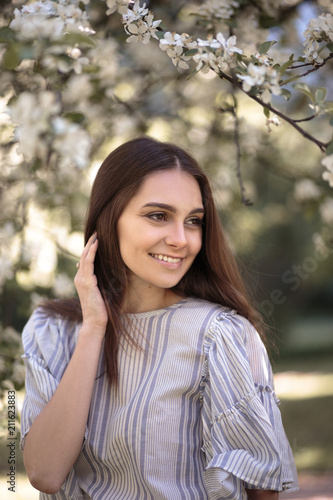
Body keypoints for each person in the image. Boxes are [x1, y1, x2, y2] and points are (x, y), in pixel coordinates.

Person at [20, 137, 298, 500]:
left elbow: (261, 490)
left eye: (194, 221)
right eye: (158, 216)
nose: (181, 239)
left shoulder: (218, 335)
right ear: (109, 219)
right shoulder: (51, 330)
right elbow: (44, 472)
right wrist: (93, 329)